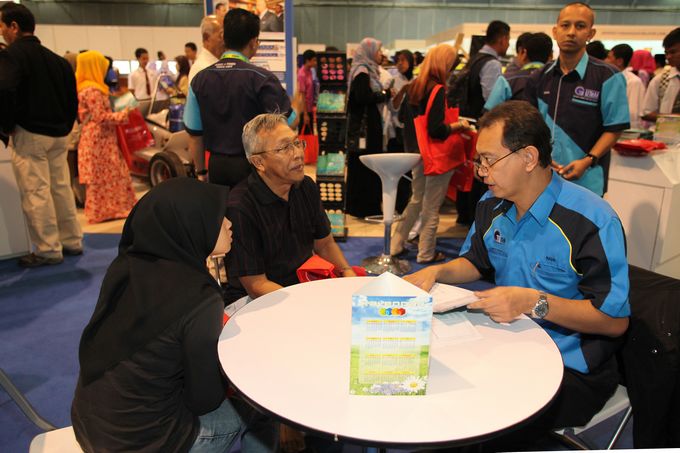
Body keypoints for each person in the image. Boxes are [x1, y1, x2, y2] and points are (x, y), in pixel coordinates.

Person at [406, 101, 630, 450]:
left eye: (489, 160)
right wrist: (437, 271)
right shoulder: (491, 205)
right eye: (478, 161)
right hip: (506, 347)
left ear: (528, 157)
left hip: (571, 369)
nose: (482, 172)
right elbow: (477, 261)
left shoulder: (592, 220)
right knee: (432, 383)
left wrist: (532, 302)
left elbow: (614, 322)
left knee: (474, 421)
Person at [71, 178, 277, 453]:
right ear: (190, 225)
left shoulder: (127, 265)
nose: (230, 224)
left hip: (91, 425)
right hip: (145, 443)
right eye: (218, 218)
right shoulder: (199, 297)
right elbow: (205, 400)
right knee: (261, 403)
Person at [226, 113, 355, 453]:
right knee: (302, 333)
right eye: (284, 148)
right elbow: (255, 284)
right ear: (259, 162)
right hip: (254, 301)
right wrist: (309, 306)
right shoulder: (241, 206)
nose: (298, 153)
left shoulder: (305, 187)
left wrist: (347, 275)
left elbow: (324, 243)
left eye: (296, 142)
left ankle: (322, 404)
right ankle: (284, 415)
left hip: (304, 283)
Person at [0, 2, 83, 268]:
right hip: (59, 134)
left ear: (14, 26)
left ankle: (48, 249)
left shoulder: (12, 56)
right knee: (60, 188)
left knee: (36, 192)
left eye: (2, 26)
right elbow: (73, 97)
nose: (1, 32)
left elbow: (5, 90)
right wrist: (66, 125)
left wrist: (6, 125)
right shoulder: (57, 60)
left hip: (30, 132)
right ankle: (72, 240)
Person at [183, 8, 301, 188]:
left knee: (223, 206)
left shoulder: (199, 80)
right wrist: (297, 105)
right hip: (255, 167)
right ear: (254, 42)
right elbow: (289, 123)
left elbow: (194, 135)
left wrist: (201, 172)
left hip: (217, 167)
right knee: (253, 207)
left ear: (224, 38)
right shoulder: (262, 79)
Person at [525, 2, 629, 197]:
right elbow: (529, 126)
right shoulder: (538, 77)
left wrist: (588, 160)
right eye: (565, 25)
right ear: (555, 31)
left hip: (587, 180)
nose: (571, 32)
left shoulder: (608, 76)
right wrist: (541, 156)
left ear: (591, 33)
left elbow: (615, 128)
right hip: (542, 177)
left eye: (580, 26)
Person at [390, 44, 470, 264]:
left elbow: (405, 121)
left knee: (416, 200)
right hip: (436, 157)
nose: (452, 68)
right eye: (451, 64)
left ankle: (395, 245)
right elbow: (436, 130)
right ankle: (426, 252)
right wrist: (458, 125)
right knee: (431, 206)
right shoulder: (438, 89)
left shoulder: (414, 85)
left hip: (418, 154)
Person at [453, 20, 510, 227]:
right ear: (502, 39)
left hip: (467, 125)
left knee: (469, 171)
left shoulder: (473, 59)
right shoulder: (492, 64)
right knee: (482, 173)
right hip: (483, 127)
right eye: (508, 40)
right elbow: (492, 101)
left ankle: (465, 215)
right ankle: (478, 220)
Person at [76, 50, 136, 224]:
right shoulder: (92, 90)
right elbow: (100, 117)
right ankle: (110, 210)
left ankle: (107, 210)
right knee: (107, 174)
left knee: (105, 175)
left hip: (99, 139)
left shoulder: (86, 87)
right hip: (99, 140)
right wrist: (124, 114)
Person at [345, 37, 391, 218]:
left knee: (364, 166)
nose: (381, 54)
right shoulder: (363, 71)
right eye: (378, 51)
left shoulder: (366, 70)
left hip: (365, 127)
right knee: (367, 165)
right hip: (366, 129)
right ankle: (365, 207)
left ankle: (362, 206)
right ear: (369, 52)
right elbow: (362, 97)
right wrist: (384, 94)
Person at [484, 32, 553, 111]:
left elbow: (490, 111)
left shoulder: (507, 79)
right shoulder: (557, 80)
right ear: (550, 55)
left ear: (525, 53)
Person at [642, 27, 680, 122]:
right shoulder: (660, 79)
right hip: (667, 131)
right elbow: (646, 113)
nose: (668, 57)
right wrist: (672, 119)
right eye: (666, 53)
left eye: (673, 52)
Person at [605, 44, 645, 129]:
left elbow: (632, 113)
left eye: (608, 57)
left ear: (619, 61)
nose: (605, 60)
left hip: (625, 131)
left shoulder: (633, 81)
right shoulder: (610, 78)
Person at [188, 15, 224, 84]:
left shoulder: (219, 63)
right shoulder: (201, 69)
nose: (225, 40)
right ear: (207, 38)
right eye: (221, 35)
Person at [297, 49, 317, 132]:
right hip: (304, 110)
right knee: (304, 135)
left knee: (310, 133)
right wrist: (305, 114)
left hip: (310, 109)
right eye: (314, 60)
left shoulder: (310, 71)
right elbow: (302, 95)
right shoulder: (301, 74)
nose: (315, 62)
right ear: (308, 61)